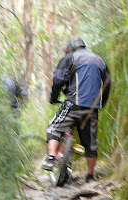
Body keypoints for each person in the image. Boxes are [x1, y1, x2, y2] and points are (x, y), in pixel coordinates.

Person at [42, 36, 111, 183]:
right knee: (90, 142)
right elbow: (107, 83)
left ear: (71, 48)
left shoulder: (70, 58)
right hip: (92, 108)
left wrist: (53, 97)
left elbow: (58, 80)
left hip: (73, 104)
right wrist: (101, 103)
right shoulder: (99, 60)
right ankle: (90, 175)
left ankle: (50, 157)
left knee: (54, 128)